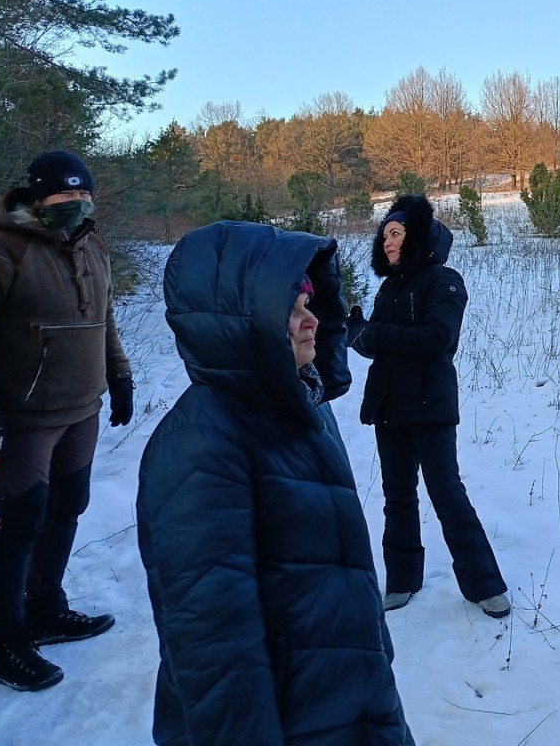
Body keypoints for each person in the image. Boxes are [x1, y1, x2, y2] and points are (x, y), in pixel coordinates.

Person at [136, 221, 414, 745]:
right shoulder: (201, 443)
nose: (311, 321)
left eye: (309, 303)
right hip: (290, 719)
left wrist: (376, 652)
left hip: (347, 696)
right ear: (242, 321)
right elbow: (214, 648)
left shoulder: (300, 404)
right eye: (290, 309)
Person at [0, 150, 133, 692]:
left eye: (82, 194)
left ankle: (44, 607)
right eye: (64, 193)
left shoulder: (92, 244)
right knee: (21, 520)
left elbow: (104, 317)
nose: (76, 203)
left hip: (82, 409)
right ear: (36, 197)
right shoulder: (2, 248)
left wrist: (119, 374)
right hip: (23, 417)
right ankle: (1, 638)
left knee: (68, 506)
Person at [346, 194, 509, 618]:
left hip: (428, 404)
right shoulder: (389, 287)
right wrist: (357, 334)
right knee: (397, 497)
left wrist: (376, 334)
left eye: (396, 233)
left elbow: (440, 338)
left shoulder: (444, 280)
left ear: (416, 236)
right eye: (384, 235)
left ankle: (485, 586)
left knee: (447, 493)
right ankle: (402, 580)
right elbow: (379, 345)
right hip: (388, 406)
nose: (387, 241)